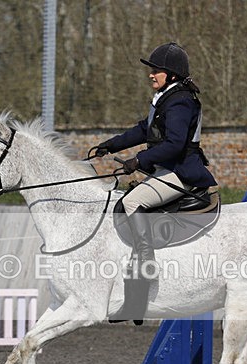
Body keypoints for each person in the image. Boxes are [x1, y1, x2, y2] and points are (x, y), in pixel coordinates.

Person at [92, 42, 217, 281]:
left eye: (156, 70)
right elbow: (144, 129)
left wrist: (138, 160)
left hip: (182, 172)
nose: (151, 74)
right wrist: (111, 145)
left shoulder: (180, 101)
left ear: (172, 75)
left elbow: (175, 144)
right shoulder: (167, 97)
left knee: (131, 202)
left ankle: (146, 264)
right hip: (168, 169)